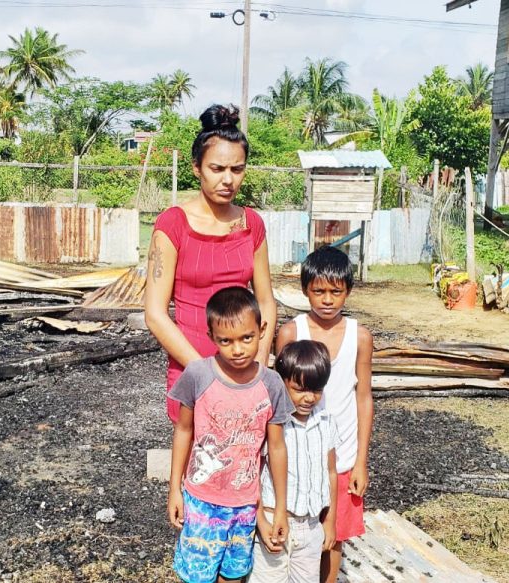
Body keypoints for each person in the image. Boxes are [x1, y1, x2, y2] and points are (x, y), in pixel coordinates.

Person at [145, 104, 277, 425]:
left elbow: (266, 302)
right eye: (217, 169)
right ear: (196, 168)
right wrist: (208, 374)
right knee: (196, 467)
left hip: (245, 368)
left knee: (244, 465)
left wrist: (256, 366)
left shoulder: (252, 224)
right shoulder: (172, 224)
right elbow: (155, 314)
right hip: (191, 370)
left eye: (237, 169)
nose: (228, 180)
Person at [168, 287, 293, 583]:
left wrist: (281, 510)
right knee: (197, 576)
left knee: (234, 576)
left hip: (245, 504)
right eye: (226, 341)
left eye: (246, 338)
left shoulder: (272, 384)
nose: (237, 349)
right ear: (211, 337)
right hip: (201, 500)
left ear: (261, 331)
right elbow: (183, 429)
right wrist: (175, 488)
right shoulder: (198, 375)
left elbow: (276, 448)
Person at [273, 246, 375, 583]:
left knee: (333, 537)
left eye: (336, 291)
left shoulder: (360, 338)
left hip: (342, 457)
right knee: (292, 531)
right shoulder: (291, 333)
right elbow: (278, 393)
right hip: (296, 452)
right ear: (305, 290)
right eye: (318, 291)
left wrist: (361, 460)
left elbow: (363, 397)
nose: (327, 300)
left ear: (348, 291)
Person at [250, 340, 338, 583]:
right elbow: (252, 475)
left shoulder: (326, 421)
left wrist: (329, 522)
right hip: (272, 523)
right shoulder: (273, 424)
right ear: (282, 383)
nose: (309, 398)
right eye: (299, 389)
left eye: (317, 390)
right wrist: (260, 521)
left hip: (310, 526)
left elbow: (331, 472)